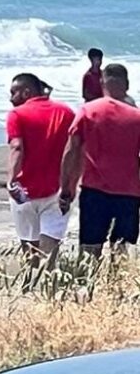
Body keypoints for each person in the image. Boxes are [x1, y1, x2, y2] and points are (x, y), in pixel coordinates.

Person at [59, 64, 140, 256]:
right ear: (127, 85)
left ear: (102, 82)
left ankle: (90, 276)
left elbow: (71, 152)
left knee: (89, 250)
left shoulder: (88, 111)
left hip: (94, 191)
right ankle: (117, 277)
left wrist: (66, 188)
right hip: (129, 193)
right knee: (122, 253)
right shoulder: (137, 117)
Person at [5, 73, 75, 261]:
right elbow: (76, 150)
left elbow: (17, 147)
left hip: (24, 190)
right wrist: (71, 185)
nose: (11, 99)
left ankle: (32, 277)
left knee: (30, 249)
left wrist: (11, 180)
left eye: (13, 93)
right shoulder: (66, 112)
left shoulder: (17, 114)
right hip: (58, 189)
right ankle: (48, 276)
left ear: (26, 92)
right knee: (49, 248)